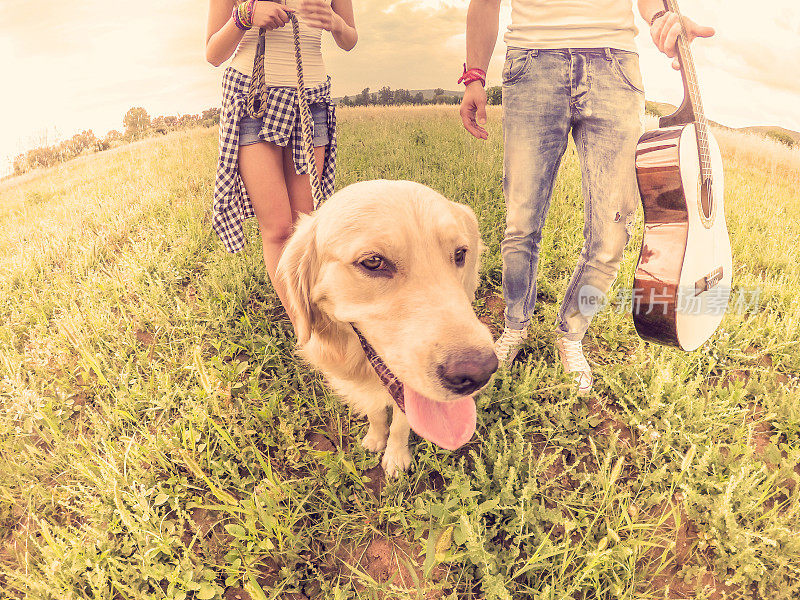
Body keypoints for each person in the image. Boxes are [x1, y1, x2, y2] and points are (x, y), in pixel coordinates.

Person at [459, 0, 714, 394]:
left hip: (614, 67)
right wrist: (474, 75)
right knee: (521, 222)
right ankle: (515, 325)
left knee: (613, 234)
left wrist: (661, 18)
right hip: (532, 63)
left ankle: (571, 335)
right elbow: (485, 3)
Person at [206, 0, 356, 322]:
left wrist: (336, 24)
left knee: (305, 227)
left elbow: (349, 39)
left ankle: (319, 312)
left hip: (310, 99)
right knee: (277, 229)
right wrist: (245, 15)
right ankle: (308, 329)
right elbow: (213, 53)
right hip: (252, 100)